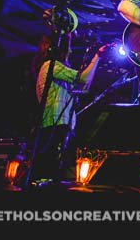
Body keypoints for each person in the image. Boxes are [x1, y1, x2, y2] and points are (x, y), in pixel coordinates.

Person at [29, 28, 105, 183]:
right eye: (68, 47)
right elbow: (83, 79)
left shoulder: (53, 68)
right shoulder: (52, 65)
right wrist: (97, 57)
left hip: (60, 123)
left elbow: (83, 86)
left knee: (59, 166)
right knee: (54, 166)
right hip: (56, 123)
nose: (70, 50)